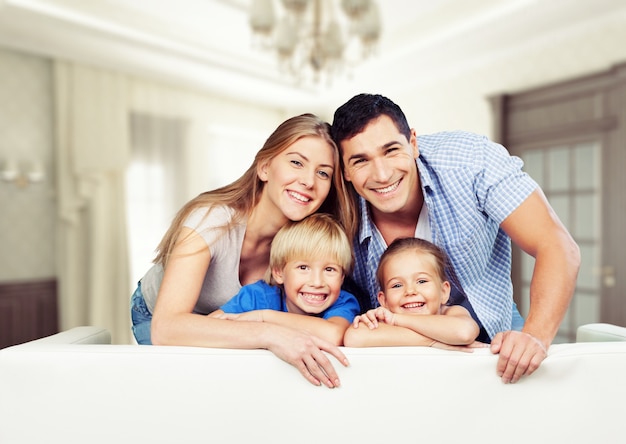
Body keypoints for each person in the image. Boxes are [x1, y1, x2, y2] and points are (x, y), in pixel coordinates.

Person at [331, 93, 580, 383]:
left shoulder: (469, 161)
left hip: (492, 328)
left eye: (391, 150)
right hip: (395, 344)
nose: (383, 174)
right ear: (345, 170)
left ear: (413, 142)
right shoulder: (335, 205)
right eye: (361, 161)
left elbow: (556, 245)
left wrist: (535, 336)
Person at [130, 113, 357, 388]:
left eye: (323, 173)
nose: (309, 181)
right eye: (296, 162)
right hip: (159, 315)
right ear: (264, 167)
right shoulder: (212, 220)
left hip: (234, 319)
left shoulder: (305, 241)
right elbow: (166, 330)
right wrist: (270, 333)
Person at [211, 213, 360, 346]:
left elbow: (333, 335)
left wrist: (263, 317)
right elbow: (209, 326)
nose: (317, 282)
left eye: (329, 270)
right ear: (279, 273)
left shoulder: (343, 302)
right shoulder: (258, 296)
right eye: (303, 268)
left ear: (342, 277)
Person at [344, 237, 480, 349]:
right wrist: (434, 341)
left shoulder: (451, 313)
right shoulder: (383, 319)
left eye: (421, 281)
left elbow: (463, 333)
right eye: (397, 285)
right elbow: (354, 337)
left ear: (443, 292)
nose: (410, 291)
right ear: (383, 301)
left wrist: (396, 319)